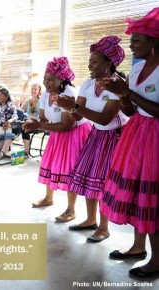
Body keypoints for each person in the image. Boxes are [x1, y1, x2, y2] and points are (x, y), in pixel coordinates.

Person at [98, 8, 159, 279]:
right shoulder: (135, 71)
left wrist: (128, 93)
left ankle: (157, 260)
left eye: (136, 40)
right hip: (137, 134)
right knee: (136, 193)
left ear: (153, 42)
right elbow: (132, 110)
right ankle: (137, 247)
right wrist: (122, 96)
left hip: (155, 137)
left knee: (152, 197)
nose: (131, 45)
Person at [57, 36, 128, 242]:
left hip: (114, 137)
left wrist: (75, 107)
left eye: (94, 61)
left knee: (103, 182)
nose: (89, 65)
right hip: (96, 135)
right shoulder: (88, 85)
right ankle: (90, 220)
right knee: (89, 178)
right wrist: (68, 107)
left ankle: (104, 228)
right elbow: (78, 115)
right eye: (90, 61)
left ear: (108, 64)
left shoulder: (116, 86)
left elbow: (105, 119)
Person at [23, 57, 92, 222]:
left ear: (62, 79)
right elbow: (43, 118)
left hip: (74, 133)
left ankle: (71, 209)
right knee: (50, 164)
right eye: (45, 79)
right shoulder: (46, 94)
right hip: (57, 131)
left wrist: (39, 125)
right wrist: (36, 123)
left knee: (69, 170)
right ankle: (48, 198)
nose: (46, 83)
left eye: (50, 79)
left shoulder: (69, 94)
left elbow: (67, 125)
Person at [20, 82, 42, 157]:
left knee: (25, 127)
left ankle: (26, 151)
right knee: (22, 126)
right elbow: (20, 111)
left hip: (39, 123)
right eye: (32, 89)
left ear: (39, 90)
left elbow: (43, 116)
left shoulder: (42, 101)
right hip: (28, 122)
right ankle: (26, 151)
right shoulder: (28, 101)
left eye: (35, 89)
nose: (34, 91)